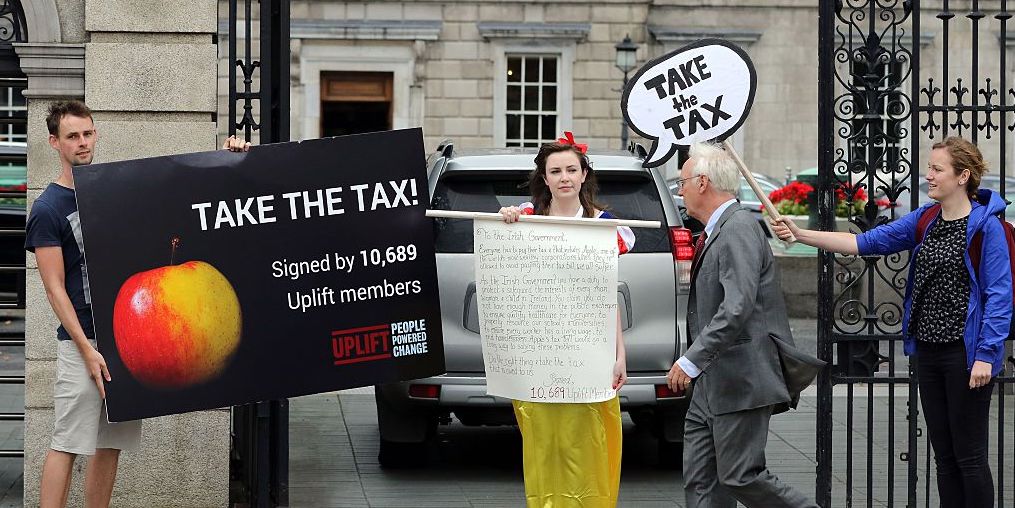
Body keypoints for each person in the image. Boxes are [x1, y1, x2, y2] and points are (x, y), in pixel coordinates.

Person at [27, 100, 250, 508]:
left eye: (87, 133)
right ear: (54, 142)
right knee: (67, 441)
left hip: (122, 339)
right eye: (72, 136)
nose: (82, 143)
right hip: (83, 344)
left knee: (109, 443)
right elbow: (54, 289)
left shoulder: (111, 192)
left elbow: (174, 190)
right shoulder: (47, 209)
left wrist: (225, 157)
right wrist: (86, 350)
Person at [771, 136, 1008, 508]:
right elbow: (868, 242)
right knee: (944, 457)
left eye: (937, 169)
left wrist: (986, 354)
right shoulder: (926, 219)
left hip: (966, 355)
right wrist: (802, 234)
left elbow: (999, 296)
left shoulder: (986, 228)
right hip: (928, 353)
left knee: (970, 456)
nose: (928, 175)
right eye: (929, 167)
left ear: (963, 176)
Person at [666, 142, 817, 508]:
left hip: (741, 378)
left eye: (682, 181)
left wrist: (691, 360)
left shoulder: (737, 229)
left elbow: (737, 307)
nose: (679, 189)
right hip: (712, 382)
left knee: (739, 475)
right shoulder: (722, 228)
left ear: (702, 183)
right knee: (702, 483)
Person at [498, 133, 633, 507]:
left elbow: (608, 298)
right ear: (544, 177)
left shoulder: (606, 225)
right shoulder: (527, 218)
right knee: (544, 441)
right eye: (555, 170)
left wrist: (620, 353)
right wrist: (505, 221)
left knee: (589, 438)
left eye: (571, 169)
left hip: (589, 349)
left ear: (584, 173)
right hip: (539, 352)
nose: (564, 177)